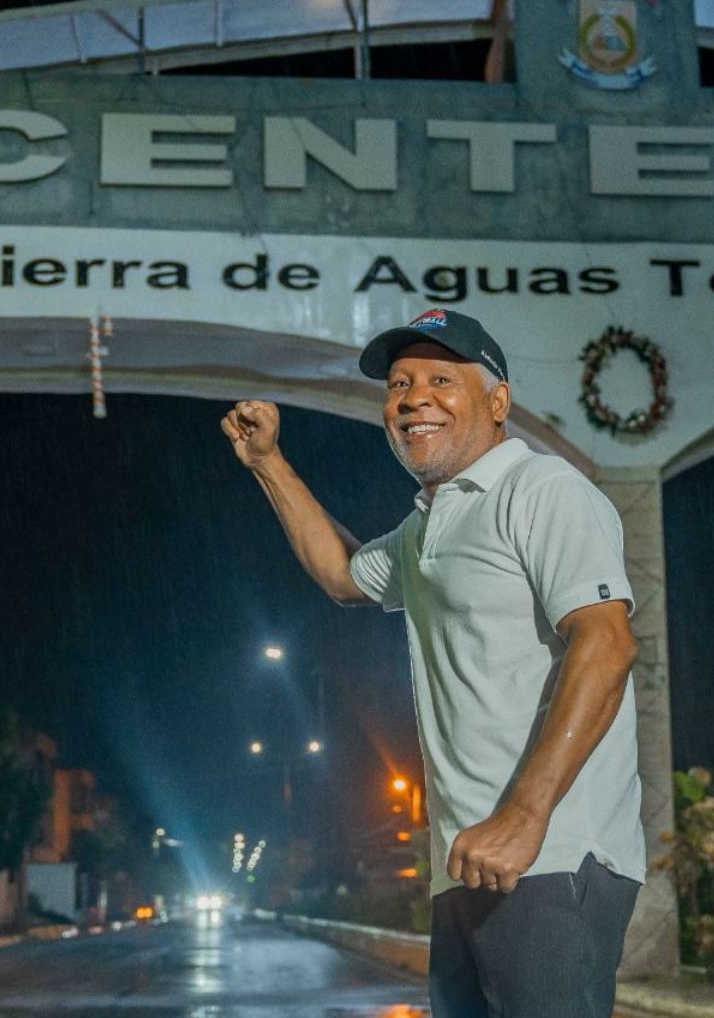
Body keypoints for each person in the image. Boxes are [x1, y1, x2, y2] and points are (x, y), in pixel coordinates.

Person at [221, 308, 645, 1017]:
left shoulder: (540, 490)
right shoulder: (428, 526)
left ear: (498, 401)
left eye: (442, 379)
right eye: (399, 384)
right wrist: (268, 463)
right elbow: (341, 574)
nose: (414, 398)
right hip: (468, 864)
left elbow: (607, 643)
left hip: (552, 853)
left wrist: (524, 815)